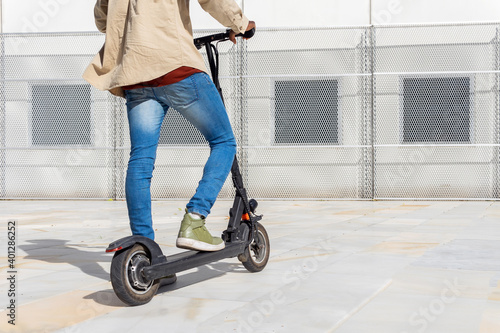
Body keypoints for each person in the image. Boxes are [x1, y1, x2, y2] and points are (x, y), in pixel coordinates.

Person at [83, 0, 255, 252]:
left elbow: (102, 20)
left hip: (135, 74)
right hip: (176, 67)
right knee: (223, 141)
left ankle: (144, 249)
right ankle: (195, 219)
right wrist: (240, 24)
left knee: (140, 158)